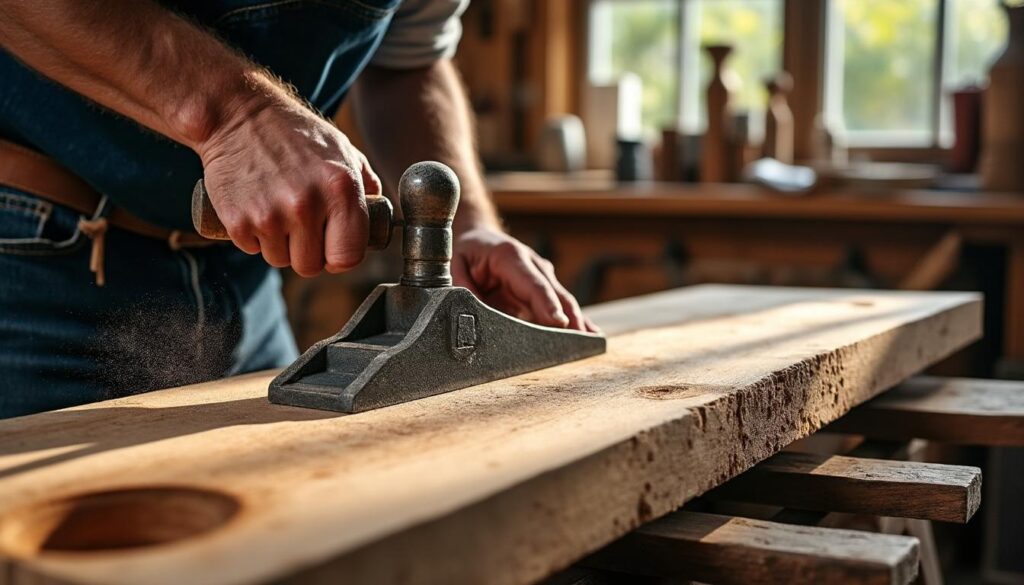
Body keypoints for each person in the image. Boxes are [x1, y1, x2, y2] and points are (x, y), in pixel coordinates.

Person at [0, 0, 594, 419]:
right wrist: (237, 116)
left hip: (243, 280)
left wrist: (465, 230)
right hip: (42, 256)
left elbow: (408, 61)